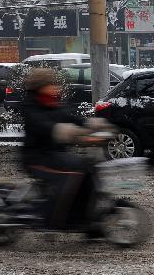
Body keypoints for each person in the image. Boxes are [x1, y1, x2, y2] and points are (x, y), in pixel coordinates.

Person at [20, 68, 111, 231]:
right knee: (73, 174)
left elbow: (72, 119)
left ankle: (84, 218)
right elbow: (43, 126)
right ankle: (53, 220)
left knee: (89, 169)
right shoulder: (31, 106)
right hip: (37, 158)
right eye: (51, 84)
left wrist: (94, 125)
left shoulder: (53, 103)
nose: (56, 87)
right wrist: (68, 132)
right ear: (39, 87)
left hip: (55, 155)